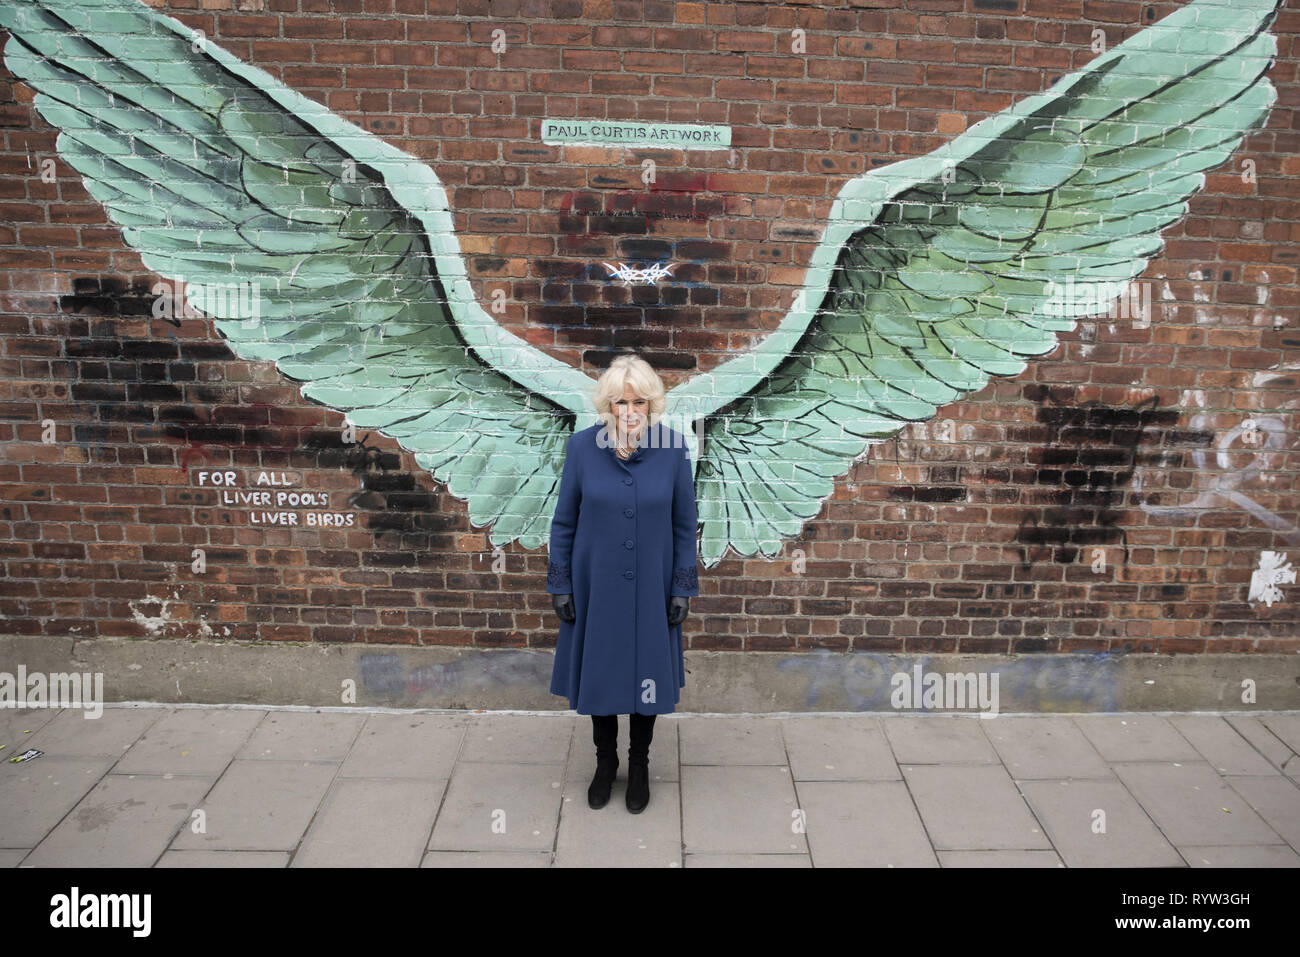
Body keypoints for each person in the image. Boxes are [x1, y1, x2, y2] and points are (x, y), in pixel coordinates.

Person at [545, 353, 700, 814]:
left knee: (647, 677)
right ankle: (605, 761)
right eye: (619, 403)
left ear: (651, 406)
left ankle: (639, 763)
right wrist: (561, 583)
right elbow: (564, 521)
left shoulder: (672, 449)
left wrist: (681, 586)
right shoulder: (581, 449)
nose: (629, 412)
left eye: (638, 402)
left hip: (651, 586)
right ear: (606, 406)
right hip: (597, 586)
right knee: (603, 674)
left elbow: (683, 523)